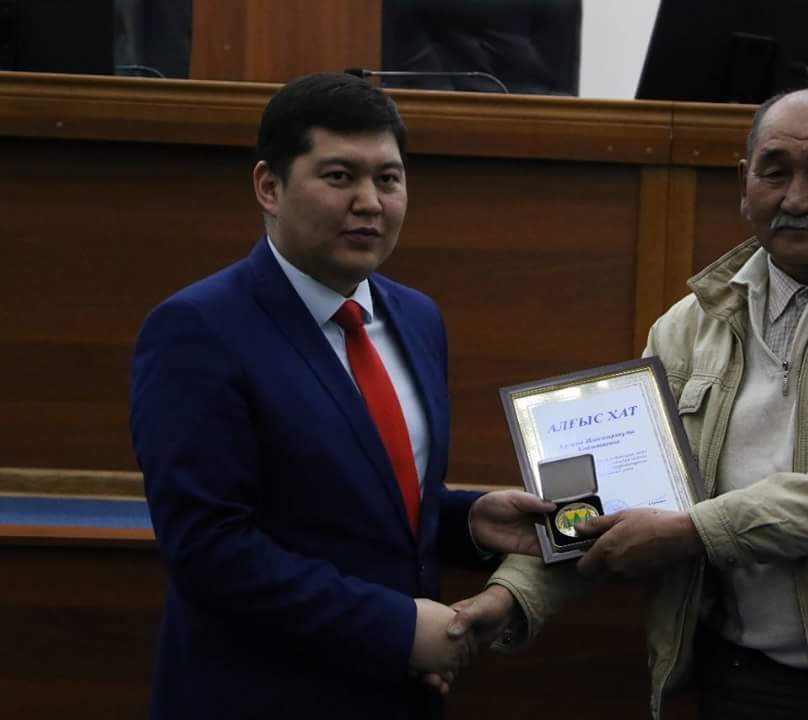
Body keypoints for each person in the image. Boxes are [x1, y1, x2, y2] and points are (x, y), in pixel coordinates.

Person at [453, 88, 808, 719]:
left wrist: (694, 532)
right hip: (745, 681)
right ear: (744, 186)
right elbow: (610, 502)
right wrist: (508, 598)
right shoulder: (684, 328)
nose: (797, 199)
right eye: (775, 173)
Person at [129, 72, 551, 720]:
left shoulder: (418, 318)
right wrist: (399, 628)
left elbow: (357, 501)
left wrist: (465, 521)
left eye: (388, 179)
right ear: (269, 187)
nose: (370, 203)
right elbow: (209, 550)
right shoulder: (197, 330)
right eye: (339, 177)